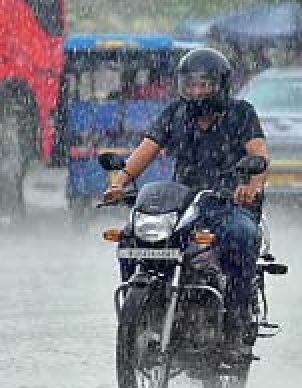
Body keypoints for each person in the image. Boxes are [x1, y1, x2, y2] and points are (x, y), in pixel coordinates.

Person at [103, 47, 269, 361]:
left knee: (243, 236)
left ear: (219, 85)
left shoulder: (241, 113)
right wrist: (120, 181)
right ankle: (137, 312)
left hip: (226, 201)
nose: (195, 92)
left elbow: (260, 155)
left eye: (202, 85)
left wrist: (251, 185)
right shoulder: (174, 113)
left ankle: (235, 325)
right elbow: (145, 150)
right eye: (189, 85)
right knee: (130, 236)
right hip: (182, 203)